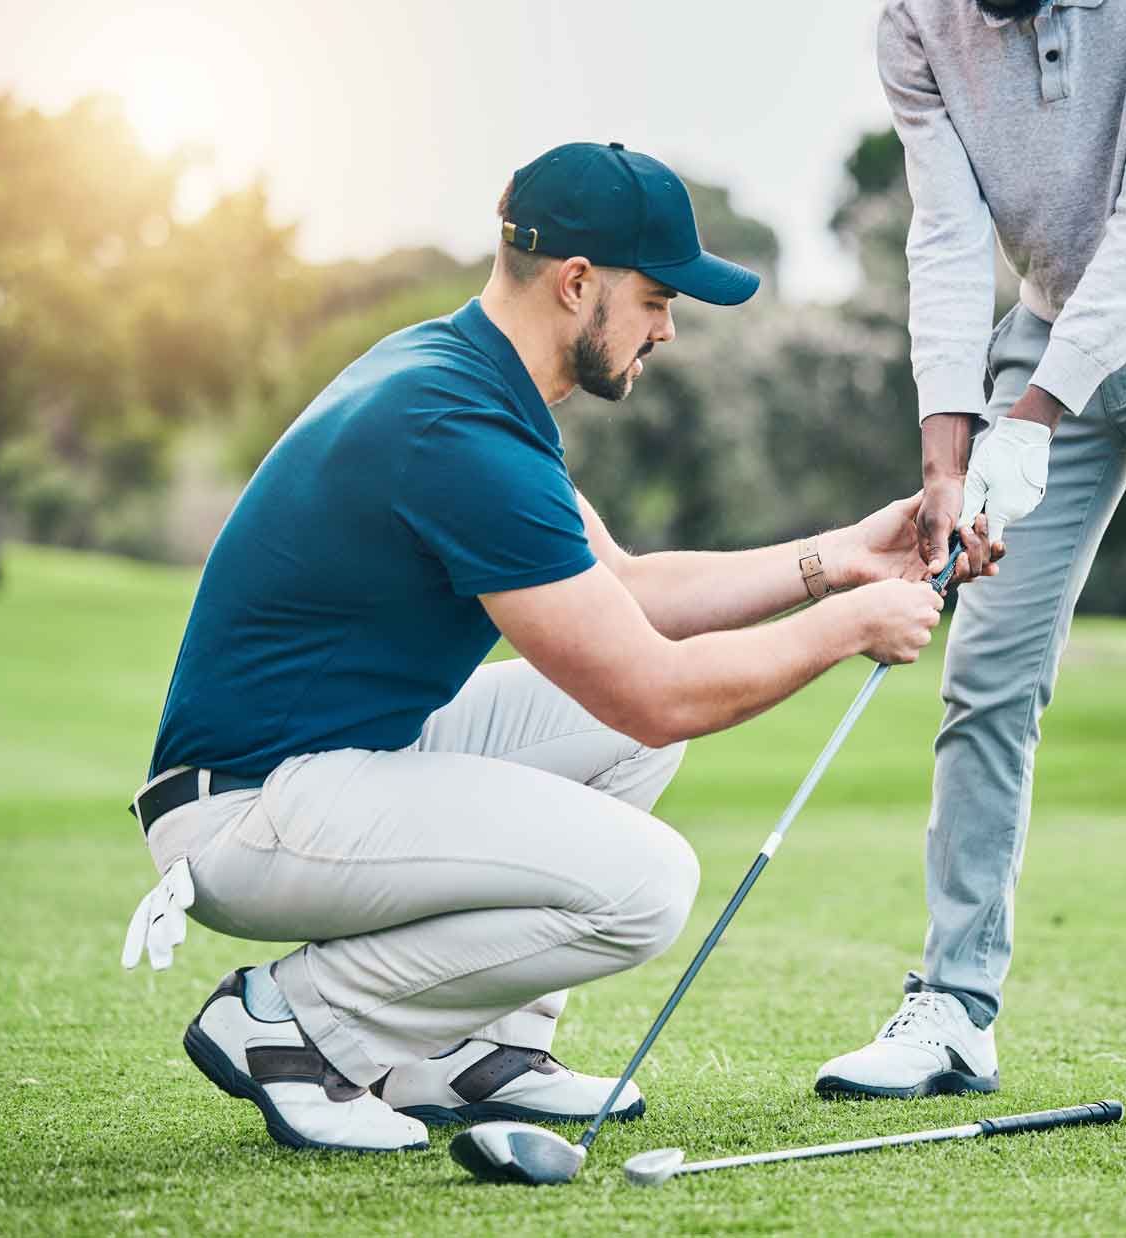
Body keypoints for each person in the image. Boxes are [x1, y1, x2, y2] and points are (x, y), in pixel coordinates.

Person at [120, 141, 978, 1153]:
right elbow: (656, 688)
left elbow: (624, 594)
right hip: (249, 811)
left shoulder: (463, 378)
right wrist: (845, 629)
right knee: (646, 881)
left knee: (620, 737)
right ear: (578, 284)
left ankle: (469, 1049)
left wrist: (840, 558)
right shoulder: (459, 432)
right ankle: (296, 1022)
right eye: (656, 297)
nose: (667, 326)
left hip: (323, 769)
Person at [815, 0, 1126, 1125]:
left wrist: (1032, 420)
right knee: (983, 669)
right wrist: (946, 454)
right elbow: (945, 233)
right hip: (1043, 325)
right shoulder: (913, 21)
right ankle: (952, 1006)